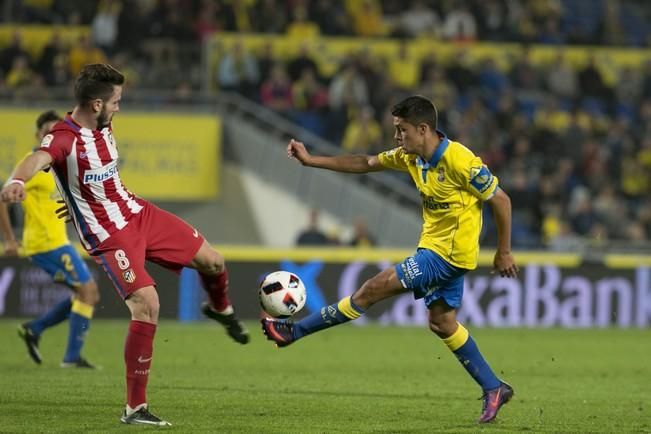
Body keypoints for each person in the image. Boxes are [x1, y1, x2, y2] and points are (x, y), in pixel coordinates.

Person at [0, 64, 249, 427]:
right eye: (116, 101)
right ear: (97, 104)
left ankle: (221, 310)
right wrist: (16, 180)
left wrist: (77, 199)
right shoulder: (63, 137)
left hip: (138, 211)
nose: (119, 107)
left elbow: (91, 179)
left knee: (213, 261)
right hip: (110, 235)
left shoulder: (103, 124)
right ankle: (135, 408)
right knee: (147, 303)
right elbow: (38, 158)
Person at [262, 95, 519, 424]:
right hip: (436, 250)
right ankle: (493, 387)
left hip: (446, 256)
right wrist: (312, 161)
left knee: (371, 289)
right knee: (441, 323)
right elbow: (365, 163)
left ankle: (293, 332)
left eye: (402, 130)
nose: (397, 137)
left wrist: (504, 250)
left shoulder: (459, 160)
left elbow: (501, 200)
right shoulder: (410, 157)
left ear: (423, 129)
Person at [0, 110, 100, 369]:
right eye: (46, 130)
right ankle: (70, 357)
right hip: (44, 243)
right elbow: (3, 197)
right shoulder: (31, 164)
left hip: (58, 241)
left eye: (54, 130)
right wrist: (10, 240)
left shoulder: (58, 165)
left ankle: (35, 328)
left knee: (85, 293)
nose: (50, 134)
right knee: (88, 291)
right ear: (37, 135)